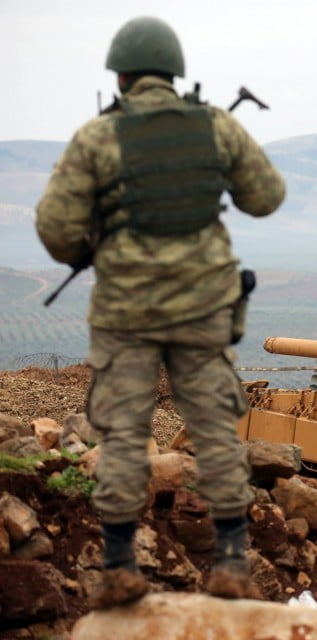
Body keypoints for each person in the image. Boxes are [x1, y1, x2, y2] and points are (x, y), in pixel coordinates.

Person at [35, 16, 285, 608]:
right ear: (174, 72)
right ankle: (231, 561)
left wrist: (92, 245)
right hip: (203, 306)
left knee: (124, 431)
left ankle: (120, 566)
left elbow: (55, 228)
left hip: (127, 311)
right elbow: (266, 197)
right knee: (214, 426)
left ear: (121, 76)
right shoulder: (216, 126)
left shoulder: (98, 136)